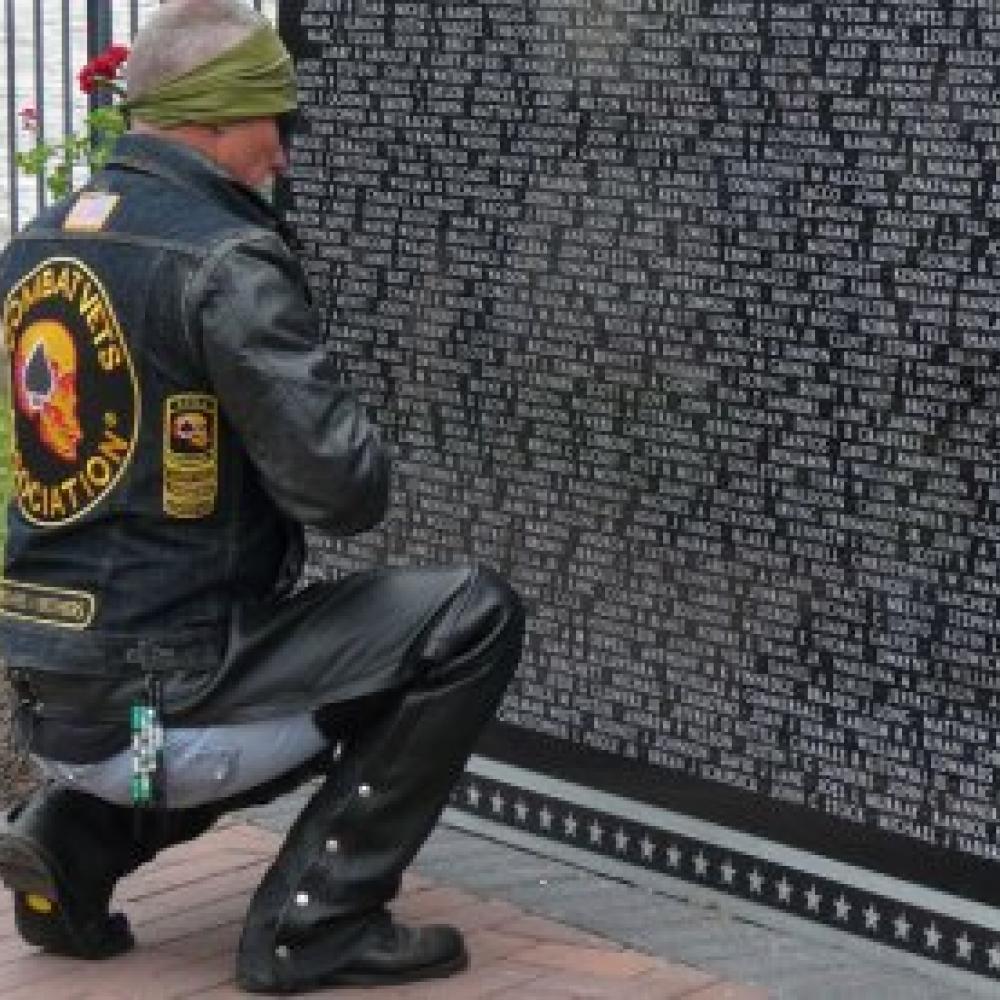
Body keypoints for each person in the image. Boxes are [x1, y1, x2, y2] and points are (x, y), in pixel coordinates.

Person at [0, 0, 524, 992]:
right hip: (174, 696)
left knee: (303, 648)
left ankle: (69, 841)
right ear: (211, 117)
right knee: (468, 615)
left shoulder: (39, 240)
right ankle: (315, 924)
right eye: (272, 121)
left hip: (58, 700)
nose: (283, 150)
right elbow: (341, 491)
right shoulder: (227, 260)